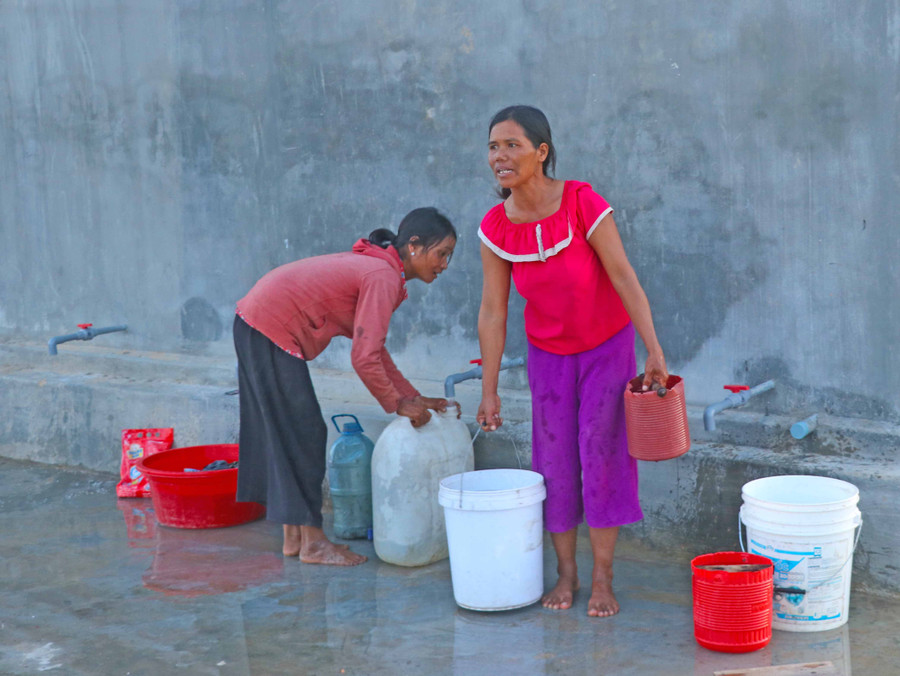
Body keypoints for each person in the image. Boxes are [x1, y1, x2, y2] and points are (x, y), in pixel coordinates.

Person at [475, 106, 669, 616]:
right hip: (548, 357)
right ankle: (567, 574)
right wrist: (489, 389)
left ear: (541, 152)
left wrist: (653, 349)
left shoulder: (583, 202)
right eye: (493, 146)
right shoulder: (495, 227)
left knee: (602, 454)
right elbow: (493, 312)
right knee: (554, 463)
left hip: (606, 348)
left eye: (512, 145)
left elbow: (623, 276)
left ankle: (603, 577)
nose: (500, 156)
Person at [234, 207, 458, 566]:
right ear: (414, 246)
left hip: (257, 322)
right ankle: (313, 543)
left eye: (449, 256)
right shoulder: (383, 276)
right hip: (269, 324)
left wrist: (413, 397)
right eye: (442, 253)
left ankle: (295, 538)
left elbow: (374, 350)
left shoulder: (381, 270)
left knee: (288, 431)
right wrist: (397, 404)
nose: (445, 264)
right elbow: (364, 358)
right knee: (304, 432)